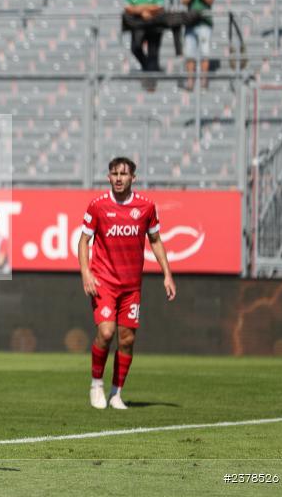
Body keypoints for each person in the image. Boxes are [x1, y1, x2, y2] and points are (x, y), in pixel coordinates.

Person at [79, 157, 177, 411]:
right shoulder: (98, 206)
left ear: (134, 177)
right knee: (106, 332)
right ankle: (96, 384)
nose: (119, 178)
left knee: (127, 339)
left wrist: (167, 274)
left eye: (124, 174)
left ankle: (116, 393)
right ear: (108, 177)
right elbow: (83, 242)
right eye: (114, 174)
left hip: (131, 286)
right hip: (104, 281)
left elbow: (155, 240)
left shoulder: (145, 206)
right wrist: (86, 273)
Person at [180, 0, 217, 91]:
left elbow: (210, 0)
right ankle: (190, 80)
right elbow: (184, 0)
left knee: (205, 52)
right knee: (190, 53)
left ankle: (203, 80)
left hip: (204, 23)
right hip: (191, 23)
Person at [124, 0, 165, 74]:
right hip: (138, 24)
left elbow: (159, 6)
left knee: (153, 51)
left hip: (154, 24)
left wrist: (140, 8)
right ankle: (148, 68)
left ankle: (152, 75)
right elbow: (128, 7)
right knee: (135, 47)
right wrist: (144, 10)